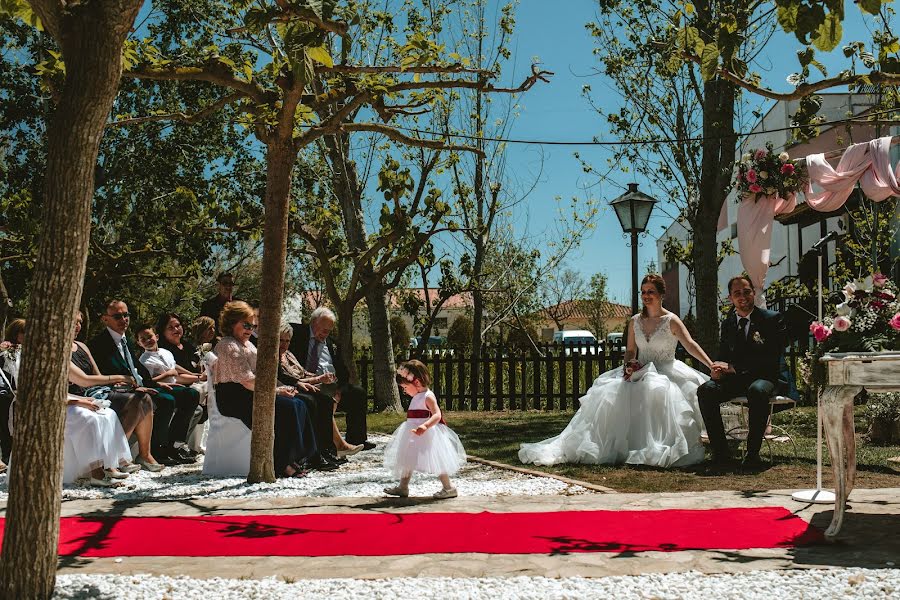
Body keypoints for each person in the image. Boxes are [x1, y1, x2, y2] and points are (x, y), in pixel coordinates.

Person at [519, 274, 713, 468]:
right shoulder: (635, 321)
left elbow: (690, 344)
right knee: (610, 393)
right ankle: (623, 448)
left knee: (661, 393)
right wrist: (628, 366)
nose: (646, 296)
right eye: (643, 292)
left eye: (651, 292)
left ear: (661, 294)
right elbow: (630, 350)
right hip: (641, 371)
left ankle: (656, 448)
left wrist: (710, 364)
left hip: (667, 371)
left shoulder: (671, 320)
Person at [213, 301, 318, 477]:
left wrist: (282, 388)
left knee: (299, 403)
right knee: (287, 408)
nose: (249, 329)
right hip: (235, 397)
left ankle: (300, 456)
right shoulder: (228, 345)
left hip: (252, 392)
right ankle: (281, 463)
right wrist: (277, 391)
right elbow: (247, 380)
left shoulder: (248, 344)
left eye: (252, 325)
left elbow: (261, 376)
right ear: (232, 323)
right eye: (245, 324)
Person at [87, 300, 198, 466]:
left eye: (126, 315)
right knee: (166, 401)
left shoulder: (127, 341)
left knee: (191, 394)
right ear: (105, 319)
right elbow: (103, 375)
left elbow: (136, 368)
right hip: (124, 390)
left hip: (145, 385)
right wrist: (137, 387)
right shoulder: (98, 345)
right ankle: (156, 450)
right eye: (118, 316)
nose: (124, 319)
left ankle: (175, 444)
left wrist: (156, 383)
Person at [698, 275, 787, 470]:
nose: (742, 296)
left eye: (746, 291)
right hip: (737, 380)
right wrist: (718, 370)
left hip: (766, 377)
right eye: (737, 293)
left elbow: (771, 358)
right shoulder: (728, 323)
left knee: (757, 390)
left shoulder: (771, 319)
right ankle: (721, 454)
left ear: (753, 293)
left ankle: (752, 455)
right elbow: (723, 355)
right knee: (706, 390)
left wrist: (734, 368)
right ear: (730, 298)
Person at [68, 310, 163, 472]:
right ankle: (117, 457)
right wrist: (119, 378)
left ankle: (144, 454)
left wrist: (119, 385)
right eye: (74, 322)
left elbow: (97, 376)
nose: (78, 326)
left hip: (95, 390)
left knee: (144, 397)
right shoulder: (58, 351)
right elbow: (85, 379)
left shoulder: (82, 346)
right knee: (133, 401)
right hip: (77, 394)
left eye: (80, 323)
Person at [277, 322, 361, 466]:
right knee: (313, 402)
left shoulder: (288, 355)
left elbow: (302, 373)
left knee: (327, 401)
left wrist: (320, 377)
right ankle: (315, 453)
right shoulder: (274, 357)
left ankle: (328, 450)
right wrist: (317, 379)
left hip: (303, 385)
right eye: (281, 340)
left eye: (287, 341)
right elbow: (288, 379)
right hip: (287, 389)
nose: (284, 344)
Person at [289, 307, 373, 450]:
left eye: (329, 330)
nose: (325, 334)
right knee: (322, 400)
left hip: (331, 386)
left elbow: (343, 371)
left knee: (358, 393)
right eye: (323, 329)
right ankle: (331, 446)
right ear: (314, 323)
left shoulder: (332, 343)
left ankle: (358, 439)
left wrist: (339, 391)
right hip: (308, 384)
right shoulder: (296, 334)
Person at [383, 360, 466, 499]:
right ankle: (403, 487)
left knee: (438, 460)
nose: (404, 390)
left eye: (405, 387)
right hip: (413, 433)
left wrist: (425, 426)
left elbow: (437, 414)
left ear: (416, 382)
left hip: (427, 434)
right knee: (408, 458)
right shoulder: (417, 396)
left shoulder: (428, 396)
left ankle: (449, 488)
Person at [0, 318, 23, 463]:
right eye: (24, 331)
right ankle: (7, 454)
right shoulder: (6, 351)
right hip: (9, 392)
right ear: (15, 333)